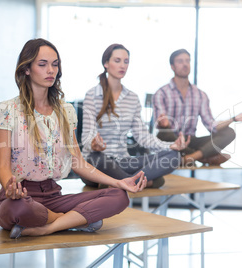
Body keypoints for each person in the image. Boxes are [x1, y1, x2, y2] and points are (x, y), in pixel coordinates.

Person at [0, 38, 147, 239]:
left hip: (53, 195)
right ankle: (73, 220)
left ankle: (48, 227)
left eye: (55, 64)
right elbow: (3, 167)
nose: (51, 70)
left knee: (118, 196)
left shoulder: (65, 111)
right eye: (43, 64)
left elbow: (78, 163)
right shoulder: (6, 110)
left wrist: (119, 182)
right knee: (19, 210)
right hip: (20, 197)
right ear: (27, 69)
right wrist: (10, 188)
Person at [81, 44, 189, 189]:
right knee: (97, 158)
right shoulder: (92, 95)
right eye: (117, 60)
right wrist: (94, 144)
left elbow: (143, 137)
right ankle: (139, 182)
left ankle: (118, 183)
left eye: (126, 61)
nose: (122, 66)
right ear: (106, 63)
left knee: (174, 156)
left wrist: (170, 145)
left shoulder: (132, 98)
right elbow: (86, 136)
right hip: (97, 163)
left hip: (124, 162)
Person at [152, 49, 242, 166]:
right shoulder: (161, 93)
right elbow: (162, 125)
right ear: (172, 66)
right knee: (164, 134)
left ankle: (191, 157)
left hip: (191, 140)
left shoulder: (200, 95)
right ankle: (205, 158)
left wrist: (234, 119)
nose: (185, 64)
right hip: (172, 139)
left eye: (187, 61)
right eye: (180, 61)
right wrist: (163, 123)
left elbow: (212, 125)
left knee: (229, 132)